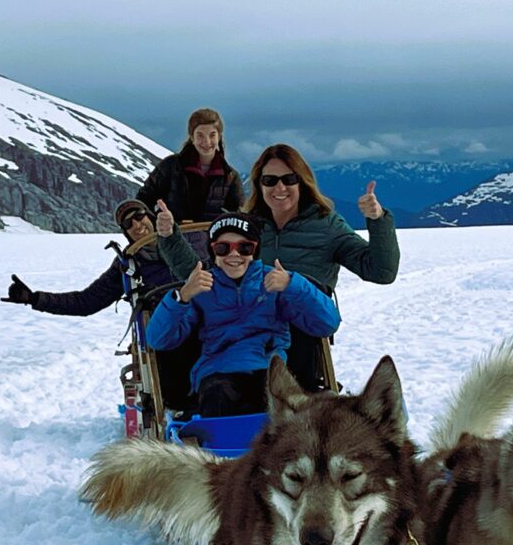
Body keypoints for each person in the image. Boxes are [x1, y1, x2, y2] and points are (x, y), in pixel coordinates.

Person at [157, 143, 400, 391]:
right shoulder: (248, 227)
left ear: (302, 182)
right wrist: (169, 237)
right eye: (270, 180)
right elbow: (206, 276)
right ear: (259, 185)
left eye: (288, 179)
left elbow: (381, 271)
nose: (279, 188)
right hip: (246, 325)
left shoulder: (326, 226)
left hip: (302, 330)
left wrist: (378, 220)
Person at [1, 198, 198, 410]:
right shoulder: (128, 265)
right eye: (128, 224)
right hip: (165, 334)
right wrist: (34, 298)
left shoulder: (192, 242)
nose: (137, 226)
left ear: (150, 215)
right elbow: (86, 301)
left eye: (139, 217)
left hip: (206, 319)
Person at [147, 213, 340, 417]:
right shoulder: (201, 288)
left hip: (270, 368)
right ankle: (219, 445)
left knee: (273, 400)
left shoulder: (276, 282)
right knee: (218, 396)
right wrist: (181, 297)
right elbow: (158, 340)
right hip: (218, 371)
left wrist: (293, 285)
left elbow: (327, 324)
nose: (234, 254)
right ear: (213, 253)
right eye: (223, 248)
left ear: (254, 250)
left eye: (244, 247)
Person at [136, 107, 245, 256]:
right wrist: (158, 225)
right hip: (171, 245)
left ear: (219, 136)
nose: (206, 141)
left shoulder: (230, 177)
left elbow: (238, 216)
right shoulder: (170, 167)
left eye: (212, 135)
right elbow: (143, 200)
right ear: (191, 137)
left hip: (212, 250)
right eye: (200, 135)